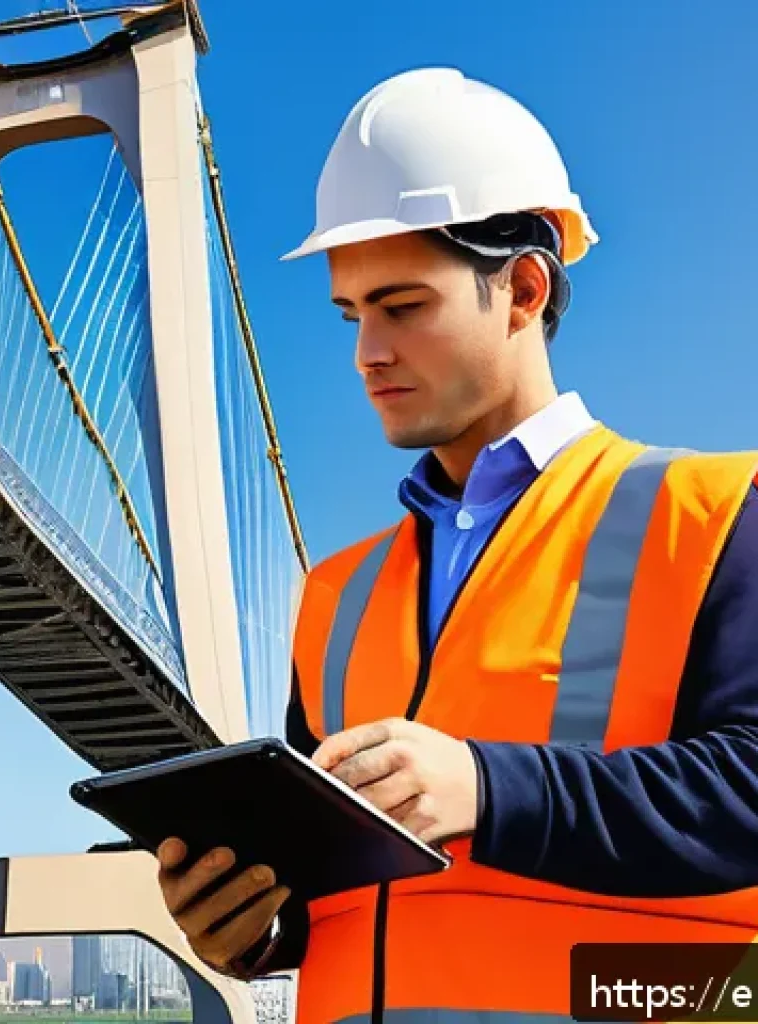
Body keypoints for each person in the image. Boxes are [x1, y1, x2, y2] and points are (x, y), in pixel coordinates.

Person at [155, 67, 758, 1023]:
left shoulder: (720, 510)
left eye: (403, 306)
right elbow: (350, 883)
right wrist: (258, 924)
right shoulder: (336, 596)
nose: (366, 354)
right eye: (352, 316)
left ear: (522, 288)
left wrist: (486, 785)